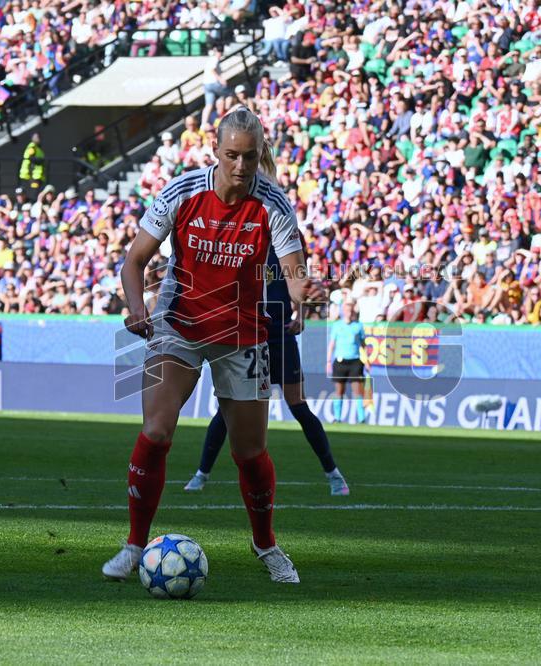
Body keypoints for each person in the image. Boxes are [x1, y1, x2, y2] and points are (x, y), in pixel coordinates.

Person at [102, 107, 307, 584]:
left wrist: (305, 295)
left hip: (243, 333)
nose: (241, 165)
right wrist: (136, 308)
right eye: (232, 155)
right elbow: (134, 262)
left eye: (250, 156)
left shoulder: (273, 204)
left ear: (260, 155)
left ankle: (265, 544)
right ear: (215, 150)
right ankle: (135, 544)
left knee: (250, 452)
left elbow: (295, 275)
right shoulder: (181, 192)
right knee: (156, 431)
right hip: (179, 325)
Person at [183, 244, 350, 496]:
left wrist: (301, 316)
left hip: (281, 336)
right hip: (249, 337)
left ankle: (333, 474)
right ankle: (201, 474)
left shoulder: (285, 243)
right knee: (228, 409)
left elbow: (302, 282)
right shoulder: (244, 242)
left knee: (299, 406)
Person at [326, 300, 368, 423]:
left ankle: (361, 418)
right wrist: (328, 361)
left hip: (355, 361)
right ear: (343, 312)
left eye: (351, 310)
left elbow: (363, 345)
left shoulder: (358, 326)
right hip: (340, 361)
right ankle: (337, 418)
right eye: (347, 310)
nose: (349, 313)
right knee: (339, 390)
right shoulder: (337, 325)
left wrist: (367, 361)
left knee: (358, 390)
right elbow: (332, 344)